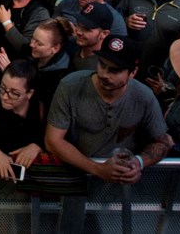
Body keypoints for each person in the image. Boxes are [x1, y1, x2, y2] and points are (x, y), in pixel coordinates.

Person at [45, 35, 172, 232]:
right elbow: (53, 141)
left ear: (133, 72)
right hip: (73, 180)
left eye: (115, 70)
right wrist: (97, 169)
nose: (105, 73)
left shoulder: (143, 96)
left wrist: (138, 163)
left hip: (117, 190)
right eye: (102, 65)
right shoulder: (71, 86)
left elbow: (163, 142)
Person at [0, 59, 46, 182]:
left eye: (14, 93)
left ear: (29, 94)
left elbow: (53, 140)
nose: (4, 96)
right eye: (2, 87)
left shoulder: (41, 110)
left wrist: (37, 146)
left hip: (30, 187)